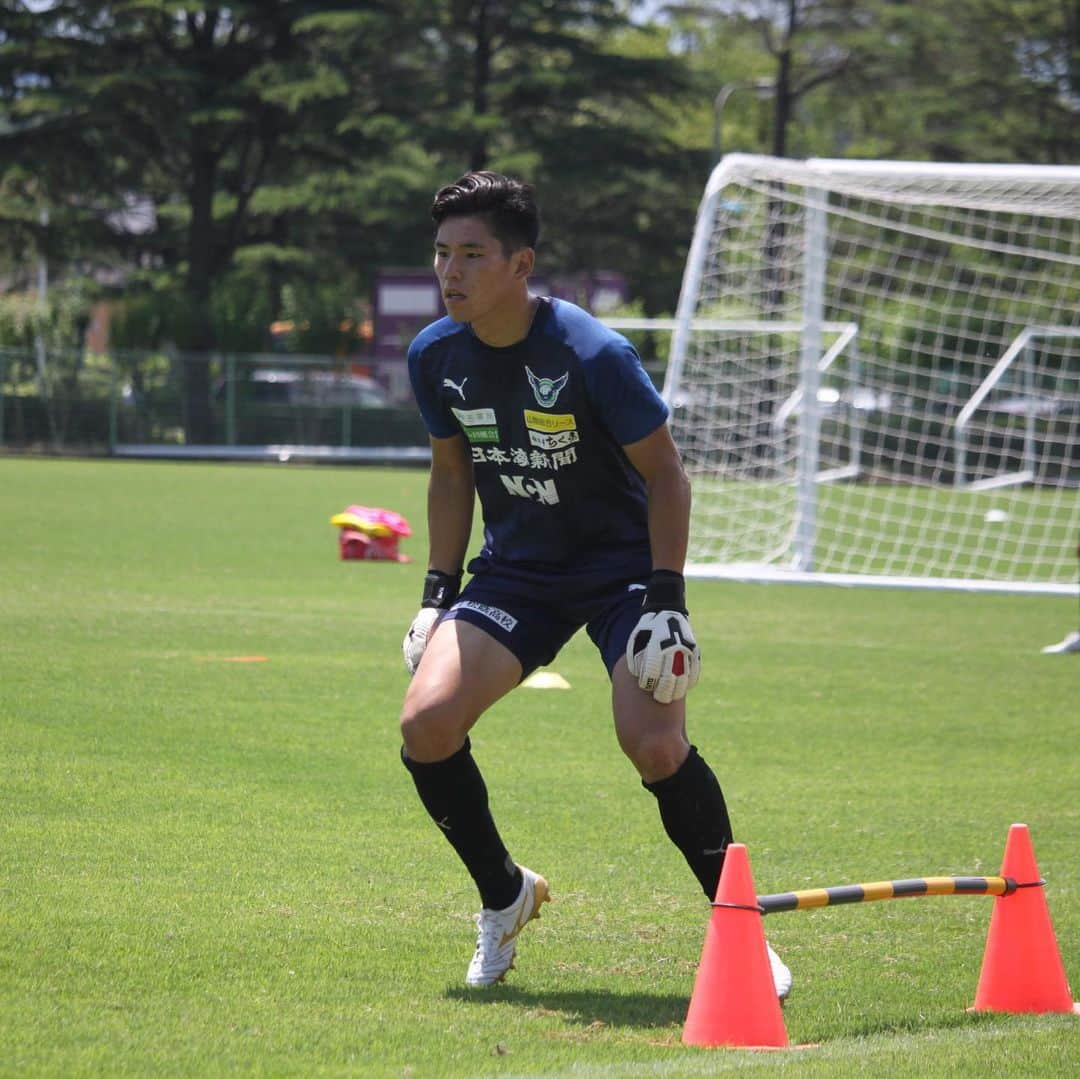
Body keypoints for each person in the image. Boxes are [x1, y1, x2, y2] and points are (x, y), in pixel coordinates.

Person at [398, 170, 790, 997]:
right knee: (426, 723)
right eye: (441, 254)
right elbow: (449, 474)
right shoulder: (434, 355)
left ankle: (742, 933)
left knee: (652, 743)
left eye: (472, 253)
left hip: (623, 572)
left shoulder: (593, 353)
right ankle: (505, 896)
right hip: (519, 572)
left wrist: (669, 600)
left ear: (521, 263)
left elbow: (668, 474)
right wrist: (437, 592)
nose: (451, 272)